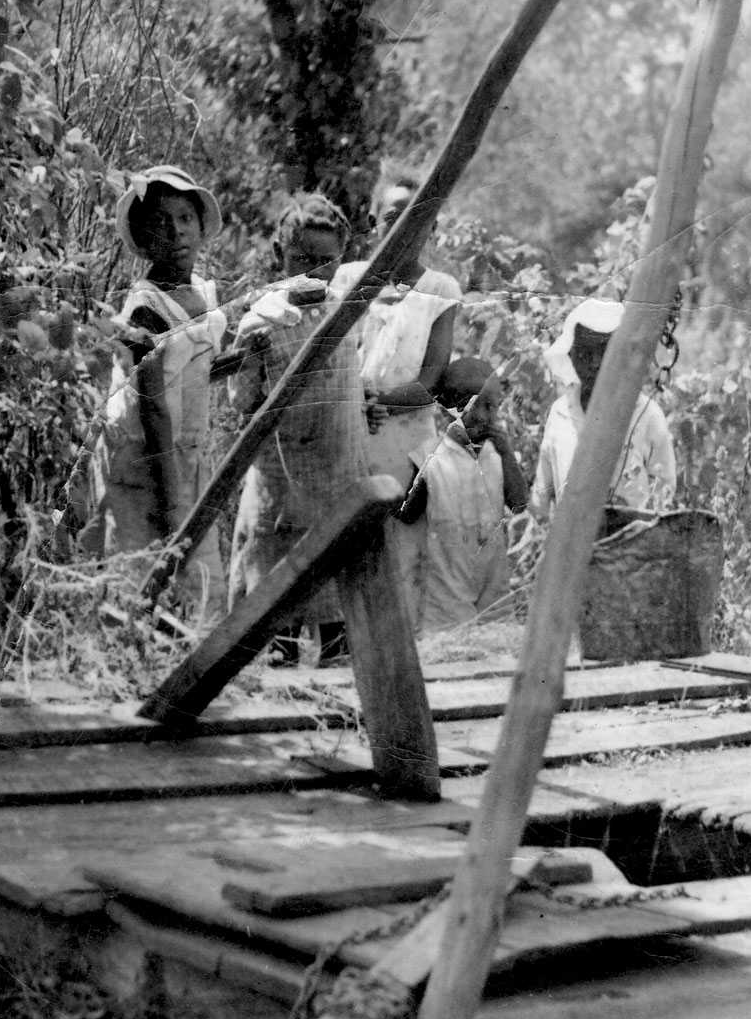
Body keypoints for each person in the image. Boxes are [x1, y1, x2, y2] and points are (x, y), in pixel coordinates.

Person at [227, 193, 367, 664]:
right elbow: (242, 403)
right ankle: (277, 673)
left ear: (340, 260)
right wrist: (253, 357)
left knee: (333, 608)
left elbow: (349, 384)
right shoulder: (260, 320)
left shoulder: (344, 312)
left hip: (334, 471)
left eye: (325, 261)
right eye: (301, 258)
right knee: (276, 607)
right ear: (279, 256)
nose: (313, 270)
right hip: (280, 480)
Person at [90, 165, 229, 614]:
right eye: (161, 223)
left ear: (201, 225)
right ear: (145, 239)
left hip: (185, 452)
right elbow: (153, 407)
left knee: (194, 577)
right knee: (146, 568)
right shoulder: (146, 309)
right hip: (148, 457)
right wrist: (173, 500)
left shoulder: (202, 293)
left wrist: (243, 358)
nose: (176, 232)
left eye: (185, 218)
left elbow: (193, 370)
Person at [329, 163, 463, 595]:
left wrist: (379, 403)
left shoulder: (441, 288)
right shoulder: (350, 278)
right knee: (347, 542)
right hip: (349, 431)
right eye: (394, 217)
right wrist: (354, 404)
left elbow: (430, 378)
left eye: (419, 218)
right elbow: (332, 357)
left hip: (405, 437)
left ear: (433, 227)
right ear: (372, 224)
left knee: (402, 549)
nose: (407, 229)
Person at [396, 356, 529, 632]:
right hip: (446, 592)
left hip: (493, 588)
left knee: (495, 642)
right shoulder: (430, 457)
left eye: (490, 406)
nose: (482, 416)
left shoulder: (498, 455)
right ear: (448, 412)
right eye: (470, 407)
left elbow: (519, 504)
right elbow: (407, 514)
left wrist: (507, 454)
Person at [529, 297, 676, 523]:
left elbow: (664, 501)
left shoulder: (647, 415)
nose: (596, 363)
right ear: (571, 354)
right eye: (586, 353)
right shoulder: (560, 414)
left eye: (605, 352)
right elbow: (541, 499)